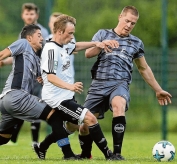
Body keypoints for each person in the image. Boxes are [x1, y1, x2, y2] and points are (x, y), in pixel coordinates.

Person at [66, 5, 172, 160]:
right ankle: (85, 154)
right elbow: (88, 54)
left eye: (133, 23)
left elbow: (144, 68)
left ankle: (116, 154)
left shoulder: (136, 43)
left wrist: (158, 89)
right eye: (127, 21)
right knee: (83, 127)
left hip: (119, 83)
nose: (129, 25)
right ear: (120, 17)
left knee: (119, 105)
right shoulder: (103, 33)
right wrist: (101, 44)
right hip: (98, 83)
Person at [33, 14, 121, 161]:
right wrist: (71, 86)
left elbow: (76, 46)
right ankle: (109, 155)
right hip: (57, 99)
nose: (72, 36)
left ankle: (42, 146)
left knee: (72, 126)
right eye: (70, 33)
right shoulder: (51, 50)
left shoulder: (63, 44)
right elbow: (50, 77)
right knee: (90, 119)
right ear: (60, 31)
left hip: (66, 94)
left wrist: (96, 44)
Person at [0, 24, 79, 160]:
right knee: (54, 116)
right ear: (29, 38)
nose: (42, 38)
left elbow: (46, 76)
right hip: (16, 96)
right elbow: (2, 54)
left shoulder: (37, 59)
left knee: (4, 137)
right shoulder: (23, 43)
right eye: (39, 35)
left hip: (7, 101)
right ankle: (68, 155)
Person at [6, 2, 49, 146]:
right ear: (22, 15)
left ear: (36, 15)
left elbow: (45, 54)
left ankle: (35, 140)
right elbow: (20, 56)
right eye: (27, 13)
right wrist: (6, 62)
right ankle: (14, 139)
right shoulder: (23, 33)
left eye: (32, 14)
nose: (29, 16)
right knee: (22, 107)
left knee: (33, 106)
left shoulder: (42, 31)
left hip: (37, 78)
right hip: (23, 79)